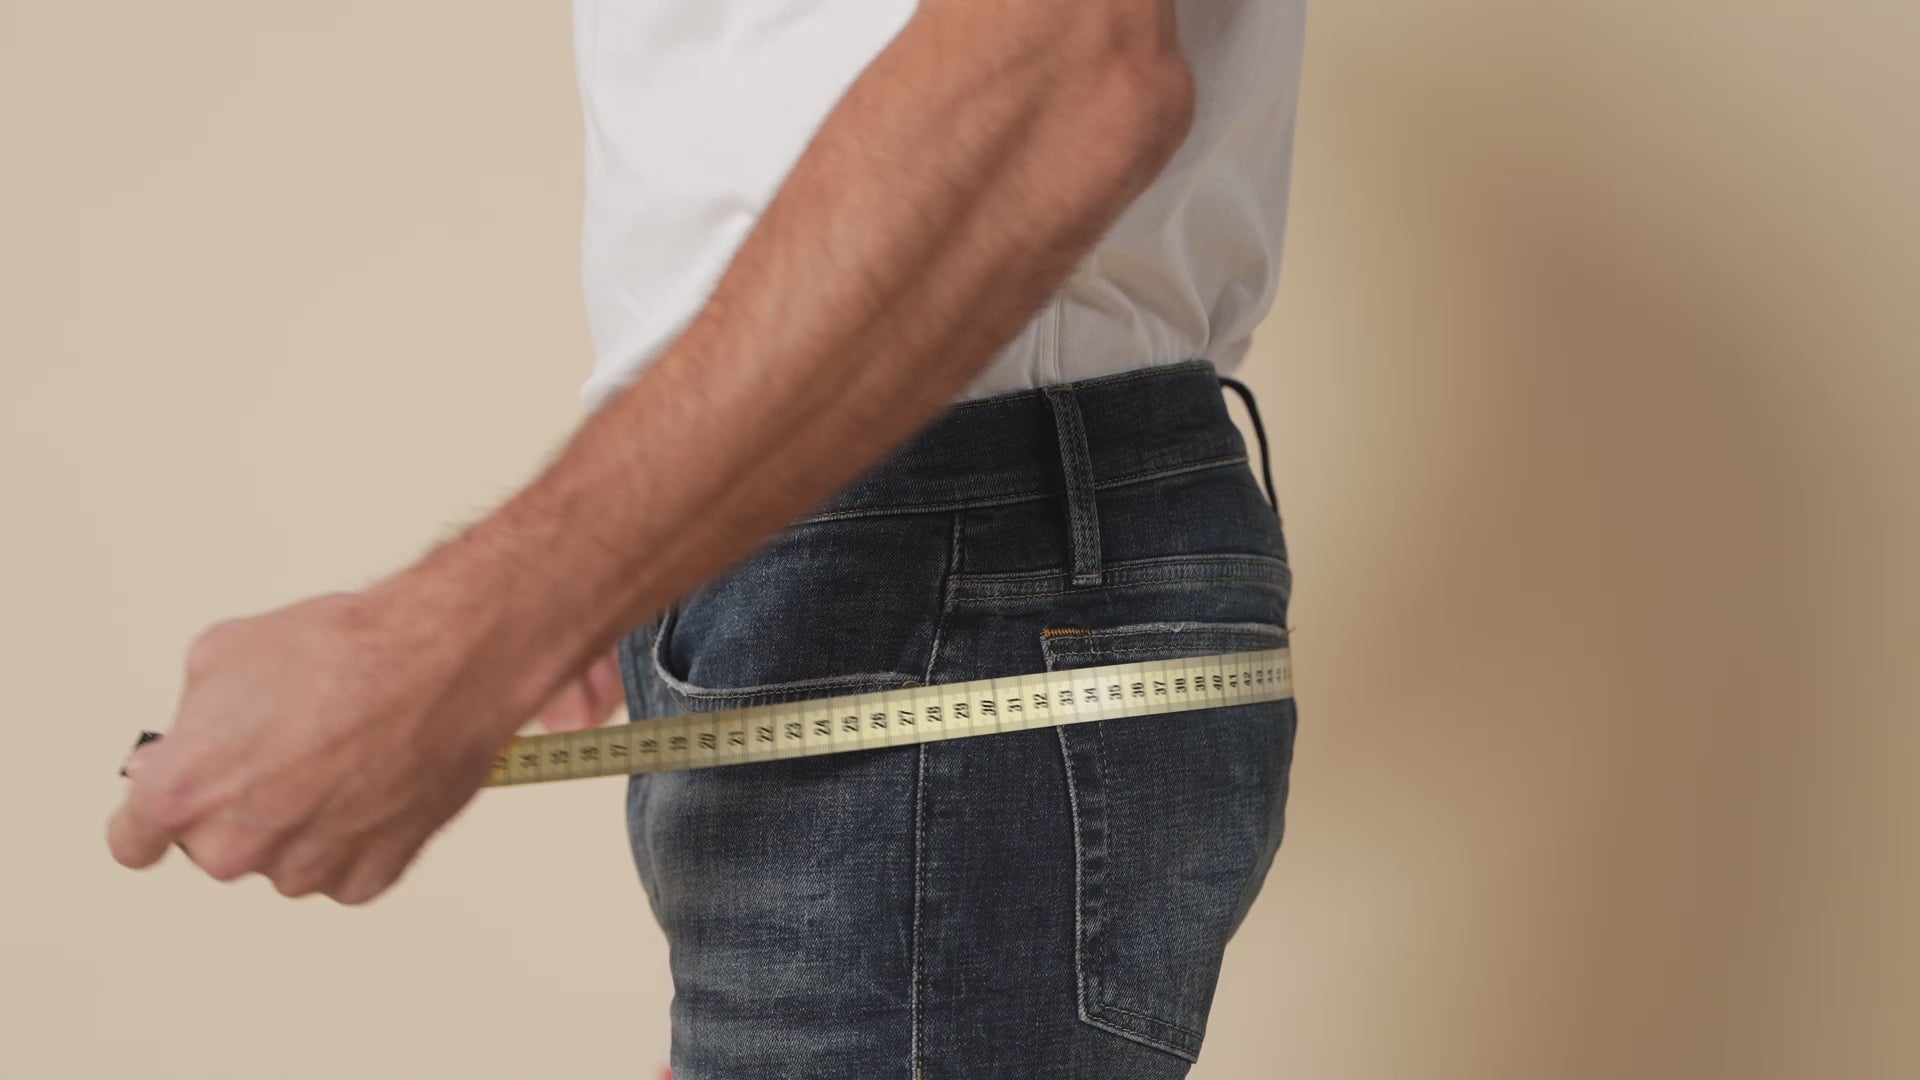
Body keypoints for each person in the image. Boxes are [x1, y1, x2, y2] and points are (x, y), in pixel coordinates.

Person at [109, 1, 1307, 1075]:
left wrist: (446, 642)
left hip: (944, 565)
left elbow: (1061, 71)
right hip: (874, 569)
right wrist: (666, 534)